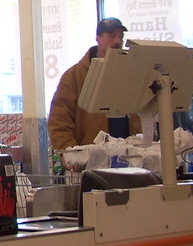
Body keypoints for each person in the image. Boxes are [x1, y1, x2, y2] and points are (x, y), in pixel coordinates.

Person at [48, 16, 137, 150]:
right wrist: (69, 153)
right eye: (111, 36)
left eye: (121, 36)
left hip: (131, 157)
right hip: (92, 159)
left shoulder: (131, 74)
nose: (118, 41)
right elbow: (59, 121)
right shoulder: (74, 77)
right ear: (98, 38)